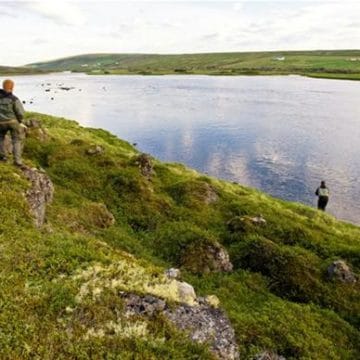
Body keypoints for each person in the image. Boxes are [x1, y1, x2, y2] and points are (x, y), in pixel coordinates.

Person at [0, 79, 25, 166]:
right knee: (16, 141)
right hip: (13, 122)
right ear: (12, 87)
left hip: (0, 123)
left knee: (0, 139)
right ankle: (17, 162)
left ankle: (3, 157)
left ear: (3, 86)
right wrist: (20, 121)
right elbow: (20, 112)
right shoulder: (14, 99)